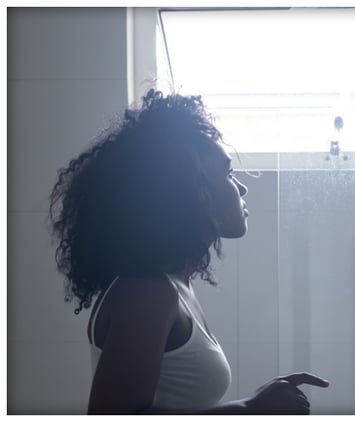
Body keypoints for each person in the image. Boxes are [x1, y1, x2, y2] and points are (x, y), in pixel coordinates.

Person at [49, 89, 329, 414]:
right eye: (228, 173)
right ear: (193, 192)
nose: (242, 187)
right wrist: (248, 409)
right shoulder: (147, 292)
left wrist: (258, 403)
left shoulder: (171, 286)